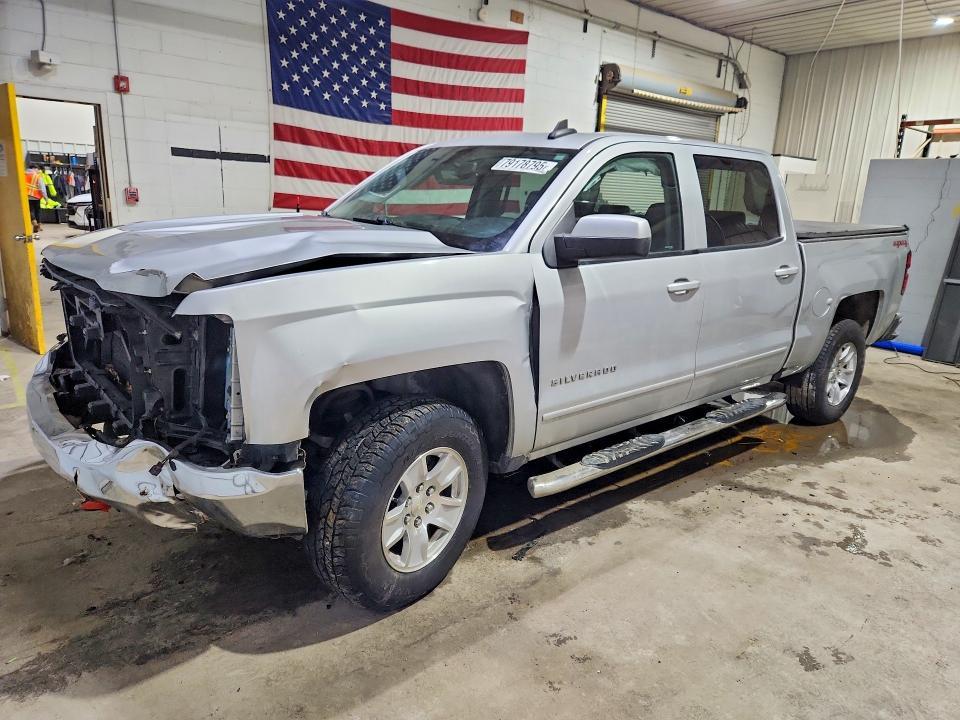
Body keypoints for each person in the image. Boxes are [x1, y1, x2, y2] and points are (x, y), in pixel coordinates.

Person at [24, 163, 44, 233]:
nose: (38, 170)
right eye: (37, 169)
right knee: (37, 211)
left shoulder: (23, 174)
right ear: (34, 168)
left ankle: (34, 222)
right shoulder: (37, 176)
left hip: (26, 196)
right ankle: (39, 225)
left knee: (30, 210)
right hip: (36, 196)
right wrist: (45, 197)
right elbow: (42, 188)